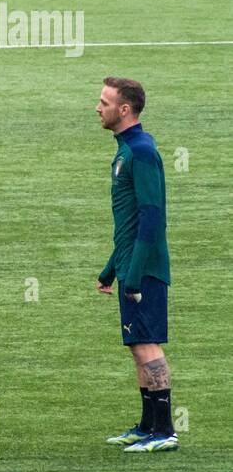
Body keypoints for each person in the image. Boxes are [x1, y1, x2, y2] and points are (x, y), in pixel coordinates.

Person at [95, 78, 177, 452]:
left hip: (143, 270)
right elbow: (128, 224)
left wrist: (135, 275)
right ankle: (147, 425)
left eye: (104, 102)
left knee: (148, 346)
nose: (98, 108)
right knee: (137, 345)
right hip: (130, 266)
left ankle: (164, 432)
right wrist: (112, 269)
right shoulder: (127, 149)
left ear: (124, 110)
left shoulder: (141, 151)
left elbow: (151, 216)